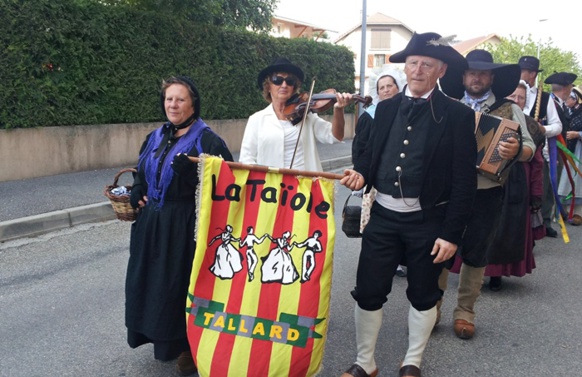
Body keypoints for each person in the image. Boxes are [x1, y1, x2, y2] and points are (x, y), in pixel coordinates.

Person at [339, 32, 477, 377]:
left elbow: (464, 181)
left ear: (440, 70)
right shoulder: (383, 109)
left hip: (428, 221)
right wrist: (360, 175)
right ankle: (364, 362)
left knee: (424, 293)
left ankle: (412, 361)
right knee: (368, 290)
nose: (417, 70)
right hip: (382, 217)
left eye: (426, 64)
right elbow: (370, 159)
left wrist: (451, 234)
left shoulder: (457, 116)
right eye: (413, 63)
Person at [125, 76, 233, 376]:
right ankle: (161, 339)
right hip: (151, 226)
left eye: (180, 99)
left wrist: (192, 175)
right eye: (169, 99)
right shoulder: (155, 136)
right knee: (152, 285)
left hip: (185, 227)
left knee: (178, 287)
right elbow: (142, 168)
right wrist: (137, 188)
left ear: (193, 103)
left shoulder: (208, 140)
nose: (173, 104)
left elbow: (227, 185)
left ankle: (189, 346)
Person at [439, 49, 535, 337]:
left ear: (491, 77)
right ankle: (430, 307)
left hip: (487, 189)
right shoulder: (449, 105)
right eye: (471, 72)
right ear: (463, 76)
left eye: (483, 72)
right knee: (440, 246)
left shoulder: (509, 109)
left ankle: (465, 311)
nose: (476, 77)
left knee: (477, 251)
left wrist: (517, 150)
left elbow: (530, 148)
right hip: (448, 189)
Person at [483, 80, 546, 290]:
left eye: (521, 98)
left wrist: (535, 194)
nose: (516, 100)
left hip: (513, 177)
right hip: (482, 175)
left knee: (505, 228)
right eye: (513, 97)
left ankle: (497, 273)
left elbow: (535, 159)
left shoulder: (530, 125)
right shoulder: (481, 108)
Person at [239, 57, 353, 171]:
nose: (284, 85)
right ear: (268, 86)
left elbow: (335, 136)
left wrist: (338, 110)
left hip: (304, 185)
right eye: (277, 80)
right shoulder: (257, 119)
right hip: (270, 186)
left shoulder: (307, 116)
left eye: (290, 81)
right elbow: (246, 159)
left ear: (294, 87)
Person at [352, 67, 408, 277]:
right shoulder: (370, 116)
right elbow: (361, 148)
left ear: (398, 87)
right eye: (381, 87)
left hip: (400, 177)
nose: (385, 90)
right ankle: (381, 260)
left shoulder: (407, 111)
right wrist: (361, 174)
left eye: (389, 86)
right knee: (374, 222)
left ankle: (400, 258)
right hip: (375, 178)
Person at [519, 56, 563, 237]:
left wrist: (540, 129)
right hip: (515, 151)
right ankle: (520, 224)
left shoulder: (544, 98)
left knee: (541, 188)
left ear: (532, 74)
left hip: (538, 150)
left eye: (522, 71)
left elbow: (557, 126)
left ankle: (543, 223)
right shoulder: (510, 92)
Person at [558, 86, 582, 222]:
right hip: (569, 149)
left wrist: (578, 134)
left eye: (572, 97)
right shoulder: (570, 112)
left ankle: (579, 212)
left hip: (579, 151)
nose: (568, 99)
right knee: (567, 178)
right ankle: (566, 210)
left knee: (578, 180)